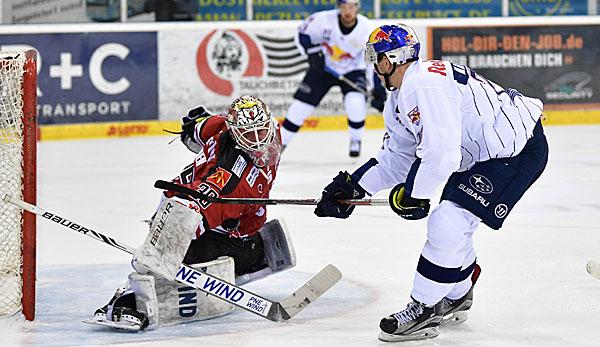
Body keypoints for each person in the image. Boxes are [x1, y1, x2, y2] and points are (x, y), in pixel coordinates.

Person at [313, 24, 548, 342]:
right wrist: (354, 187)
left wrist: (416, 196)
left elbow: (440, 154)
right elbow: (397, 157)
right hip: (485, 156)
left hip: (515, 150)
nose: (374, 65)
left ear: (392, 59)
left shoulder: (422, 84)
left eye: (377, 58)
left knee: (448, 220)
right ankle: (459, 294)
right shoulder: (401, 97)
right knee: (452, 223)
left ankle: (424, 308)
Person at [87, 95, 296, 331]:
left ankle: (248, 257)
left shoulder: (246, 129)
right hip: (199, 213)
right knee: (175, 250)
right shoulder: (231, 184)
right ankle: (133, 301)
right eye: (249, 135)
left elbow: (206, 125)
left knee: (182, 239)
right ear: (236, 135)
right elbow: (198, 208)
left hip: (223, 216)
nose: (259, 142)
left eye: (261, 131)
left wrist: (194, 125)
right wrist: (166, 242)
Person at [280, 0, 387, 157]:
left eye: (351, 7)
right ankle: (281, 143)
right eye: (344, 7)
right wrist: (311, 52)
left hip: (353, 70)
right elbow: (302, 34)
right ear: (338, 6)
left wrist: (377, 89)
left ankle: (355, 140)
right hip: (323, 68)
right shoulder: (322, 20)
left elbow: (373, 61)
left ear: (357, 8)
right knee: (300, 107)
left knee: (355, 105)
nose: (347, 11)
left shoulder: (367, 29)